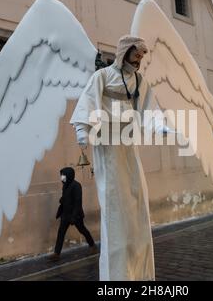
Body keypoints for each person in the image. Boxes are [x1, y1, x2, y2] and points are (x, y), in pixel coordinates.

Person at [70, 35, 156, 281]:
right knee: (114, 205)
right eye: (136, 54)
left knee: (137, 200)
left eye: (142, 56)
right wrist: (81, 131)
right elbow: (87, 101)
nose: (139, 59)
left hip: (128, 144)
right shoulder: (102, 76)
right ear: (125, 52)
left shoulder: (139, 80)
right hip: (107, 144)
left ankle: (140, 275)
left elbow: (150, 109)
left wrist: (161, 126)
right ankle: (117, 277)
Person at [49, 167, 96, 262]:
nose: (62, 177)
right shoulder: (65, 185)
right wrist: (62, 200)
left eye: (63, 175)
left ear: (69, 175)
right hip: (65, 214)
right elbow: (66, 197)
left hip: (75, 215)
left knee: (82, 230)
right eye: (61, 175)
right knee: (61, 233)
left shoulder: (77, 186)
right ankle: (56, 253)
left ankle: (92, 246)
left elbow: (78, 202)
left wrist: (74, 217)